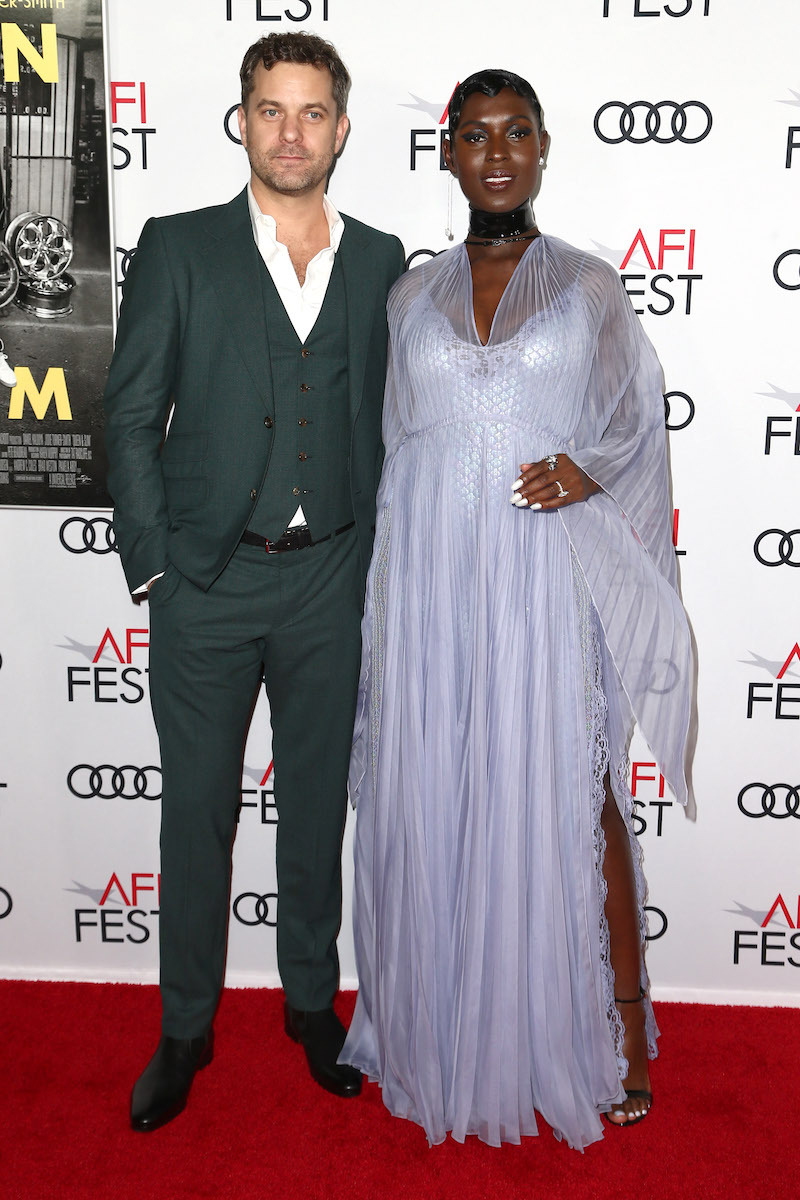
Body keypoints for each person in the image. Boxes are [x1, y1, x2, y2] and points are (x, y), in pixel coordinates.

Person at [340, 69, 692, 1150]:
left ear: (542, 150)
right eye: (475, 134)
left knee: (575, 793)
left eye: (517, 133)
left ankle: (619, 1035)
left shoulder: (588, 286)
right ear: (445, 152)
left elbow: (636, 432)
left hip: (544, 577)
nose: (496, 151)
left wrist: (586, 471)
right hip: (433, 581)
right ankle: (440, 1029)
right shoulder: (409, 294)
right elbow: (396, 445)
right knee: (434, 788)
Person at [103, 31, 404, 1132]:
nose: (291, 131)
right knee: (197, 816)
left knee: (316, 807)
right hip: (207, 583)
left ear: (340, 127)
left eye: (312, 111)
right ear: (241, 119)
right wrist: (156, 568)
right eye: (270, 109)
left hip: (330, 579)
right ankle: (186, 1026)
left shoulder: (380, 258)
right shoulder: (178, 247)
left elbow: (394, 420)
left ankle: (313, 1005)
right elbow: (131, 414)